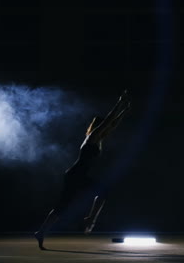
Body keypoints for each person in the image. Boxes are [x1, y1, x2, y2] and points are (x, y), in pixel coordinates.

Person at [34, 90, 131, 250]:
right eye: (104, 129)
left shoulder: (99, 140)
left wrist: (124, 111)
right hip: (75, 175)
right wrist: (119, 103)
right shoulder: (92, 137)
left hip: (78, 175)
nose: (108, 131)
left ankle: (43, 231)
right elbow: (108, 121)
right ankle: (89, 220)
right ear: (98, 128)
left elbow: (112, 124)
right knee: (66, 206)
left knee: (92, 196)